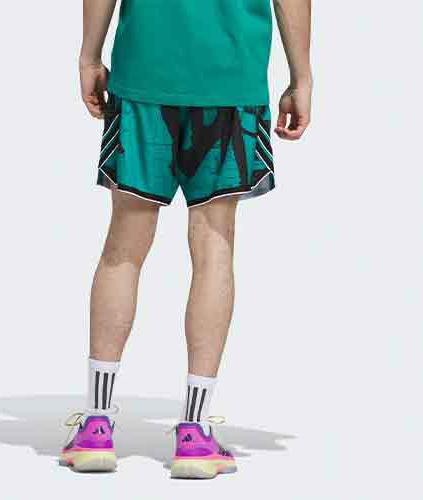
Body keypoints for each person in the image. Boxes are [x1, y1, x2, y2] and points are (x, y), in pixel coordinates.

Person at [60, 0, 312, 479]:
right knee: (214, 249)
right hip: (230, 79)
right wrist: (302, 77)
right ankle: (194, 433)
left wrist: (89, 55)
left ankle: (96, 424)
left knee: (123, 248)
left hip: (144, 73)